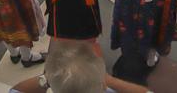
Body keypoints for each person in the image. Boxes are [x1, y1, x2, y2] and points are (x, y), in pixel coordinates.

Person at [12, 40, 151, 93]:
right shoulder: (103, 86)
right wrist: (110, 81)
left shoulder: (53, 83)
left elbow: (15, 91)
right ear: (102, 85)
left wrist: (47, 79)